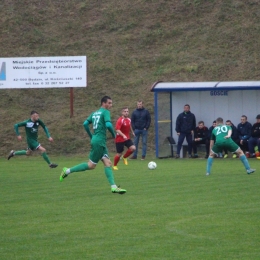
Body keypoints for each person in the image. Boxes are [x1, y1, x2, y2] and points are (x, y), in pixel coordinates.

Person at [60, 96, 126, 194]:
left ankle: (113, 187)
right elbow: (108, 125)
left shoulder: (94, 113)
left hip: (98, 141)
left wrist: (91, 136)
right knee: (91, 165)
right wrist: (114, 135)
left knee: (108, 163)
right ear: (103, 103)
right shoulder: (105, 112)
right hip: (99, 142)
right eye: (109, 103)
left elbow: (85, 124)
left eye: (111, 103)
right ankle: (67, 171)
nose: (111, 105)